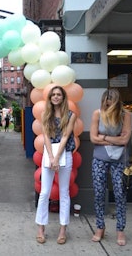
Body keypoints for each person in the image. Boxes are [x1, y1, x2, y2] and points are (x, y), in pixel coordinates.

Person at [35, 85, 76, 245]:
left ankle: (62, 230)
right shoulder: (46, 114)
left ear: (63, 97)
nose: (56, 97)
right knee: (44, 193)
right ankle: (40, 228)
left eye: (59, 94)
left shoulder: (71, 115)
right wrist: (51, 157)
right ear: (50, 98)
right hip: (49, 154)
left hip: (64, 154)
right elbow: (45, 136)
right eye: (53, 94)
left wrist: (57, 157)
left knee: (64, 193)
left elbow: (65, 136)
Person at [90, 88, 131, 246]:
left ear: (116, 104)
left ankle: (120, 230)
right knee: (99, 192)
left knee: (120, 193)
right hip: (100, 158)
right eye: (105, 105)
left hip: (119, 159)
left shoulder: (125, 115)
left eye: (110, 105)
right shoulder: (97, 114)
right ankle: (100, 227)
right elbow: (93, 138)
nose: (107, 108)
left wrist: (104, 138)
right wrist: (113, 138)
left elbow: (125, 140)